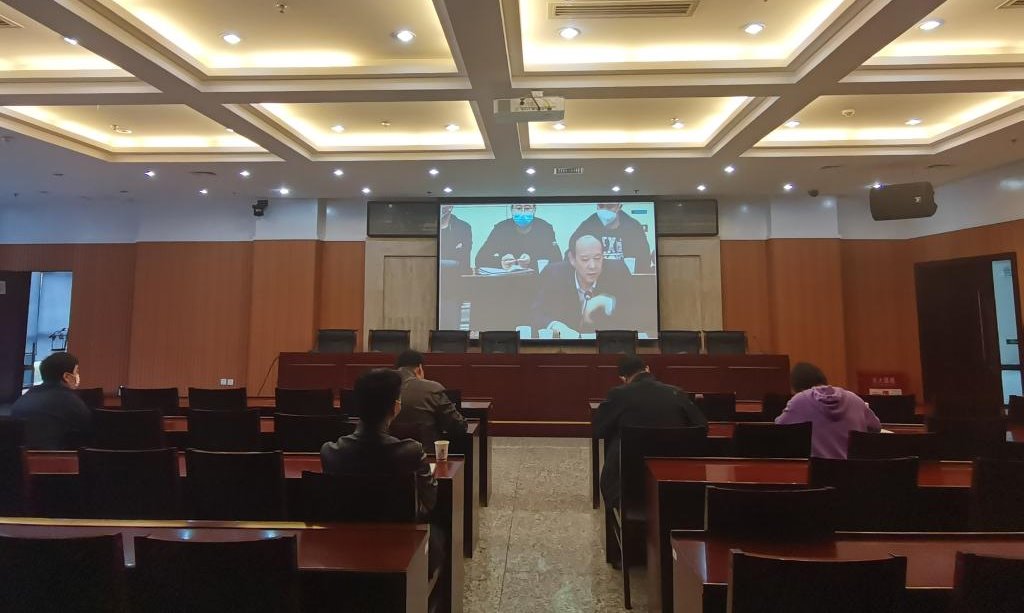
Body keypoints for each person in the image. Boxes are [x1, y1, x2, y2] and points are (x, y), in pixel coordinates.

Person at [320, 368, 437, 518]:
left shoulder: (330, 452)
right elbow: (429, 501)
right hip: (399, 531)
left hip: (347, 531)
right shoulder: (411, 452)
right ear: (396, 406)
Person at [593, 356, 706, 510]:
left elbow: (599, 429)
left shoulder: (618, 394)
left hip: (627, 483)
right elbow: (701, 427)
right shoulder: (676, 392)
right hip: (675, 477)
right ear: (647, 369)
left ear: (623, 378)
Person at [531, 233, 632, 338]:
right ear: (572, 259)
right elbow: (536, 313)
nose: (592, 266)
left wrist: (610, 302)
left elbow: (636, 309)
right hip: (567, 345)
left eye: (597, 258)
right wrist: (555, 326)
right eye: (585, 259)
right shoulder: (554, 274)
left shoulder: (617, 272)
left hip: (605, 345)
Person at [775, 362, 882, 459]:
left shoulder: (799, 400)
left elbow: (779, 430)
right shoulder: (855, 399)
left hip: (816, 472)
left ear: (797, 388)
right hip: (854, 471)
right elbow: (876, 428)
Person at [11, 352, 92, 450]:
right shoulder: (69, 400)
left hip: (19, 457)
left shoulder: (26, 396)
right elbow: (88, 429)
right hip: (53, 456)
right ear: (67, 376)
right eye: (76, 372)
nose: (78, 376)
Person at [391, 350, 467, 450]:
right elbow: (457, 426)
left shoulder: (378, 386)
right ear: (419, 369)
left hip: (384, 455)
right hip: (425, 455)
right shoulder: (432, 389)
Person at [475, 203, 561, 271]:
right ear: (512, 210)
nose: (522, 212)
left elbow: (557, 259)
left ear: (534, 210)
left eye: (527, 208)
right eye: (519, 208)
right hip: (506, 281)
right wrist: (500, 262)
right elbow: (479, 259)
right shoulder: (501, 228)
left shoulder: (545, 228)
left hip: (536, 280)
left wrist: (532, 261)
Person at [570, 203, 653, 273]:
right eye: (601, 206)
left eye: (610, 207)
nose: (605, 211)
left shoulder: (634, 227)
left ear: (619, 206)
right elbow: (571, 252)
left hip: (627, 281)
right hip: (597, 282)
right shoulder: (587, 226)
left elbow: (644, 260)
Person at [439, 204, 472, 274]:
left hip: (458, 274)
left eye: (444, 208)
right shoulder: (429, 226)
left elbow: (464, 254)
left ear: (450, 208)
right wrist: (454, 250)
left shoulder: (464, 227)